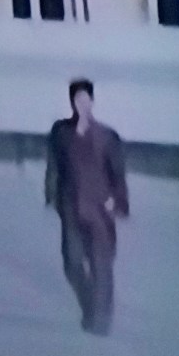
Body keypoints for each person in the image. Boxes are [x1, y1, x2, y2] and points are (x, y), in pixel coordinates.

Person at [44, 78, 128, 336]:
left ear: (92, 101)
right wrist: (52, 196)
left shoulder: (107, 136)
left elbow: (117, 173)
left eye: (85, 99)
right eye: (76, 99)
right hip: (70, 207)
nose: (81, 104)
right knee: (72, 263)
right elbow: (54, 166)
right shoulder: (61, 132)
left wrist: (118, 200)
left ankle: (101, 321)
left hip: (100, 209)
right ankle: (90, 306)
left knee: (101, 265)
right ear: (71, 102)